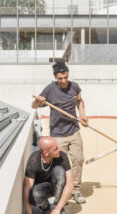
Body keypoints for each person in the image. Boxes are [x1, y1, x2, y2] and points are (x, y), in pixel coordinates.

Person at [33, 61, 88, 205]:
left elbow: (80, 101)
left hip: (74, 131)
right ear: (55, 77)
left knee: (78, 160)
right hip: (57, 135)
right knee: (61, 166)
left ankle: (75, 190)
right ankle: (64, 192)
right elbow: (34, 106)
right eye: (60, 78)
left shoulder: (74, 86)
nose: (63, 81)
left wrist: (82, 115)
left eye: (65, 77)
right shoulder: (50, 89)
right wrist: (39, 101)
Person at [22, 136, 72, 214]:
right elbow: (27, 189)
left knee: (59, 171)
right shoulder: (34, 160)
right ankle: (46, 208)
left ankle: (59, 207)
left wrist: (58, 209)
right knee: (35, 194)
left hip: (56, 186)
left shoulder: (62, 156)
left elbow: (70, 184)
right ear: (46, 153)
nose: (59, 149)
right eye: (55, 149)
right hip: (41, 190)